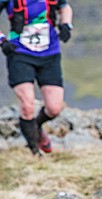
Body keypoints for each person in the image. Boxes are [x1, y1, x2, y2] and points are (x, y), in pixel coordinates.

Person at [0, 0, 73, 155]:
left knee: (54, 108)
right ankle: (34, 152)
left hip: (50, 53)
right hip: (20, 53)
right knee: (27, 105)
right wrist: (2, 40)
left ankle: (36, 126)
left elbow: (64, 7)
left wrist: (66, 25)